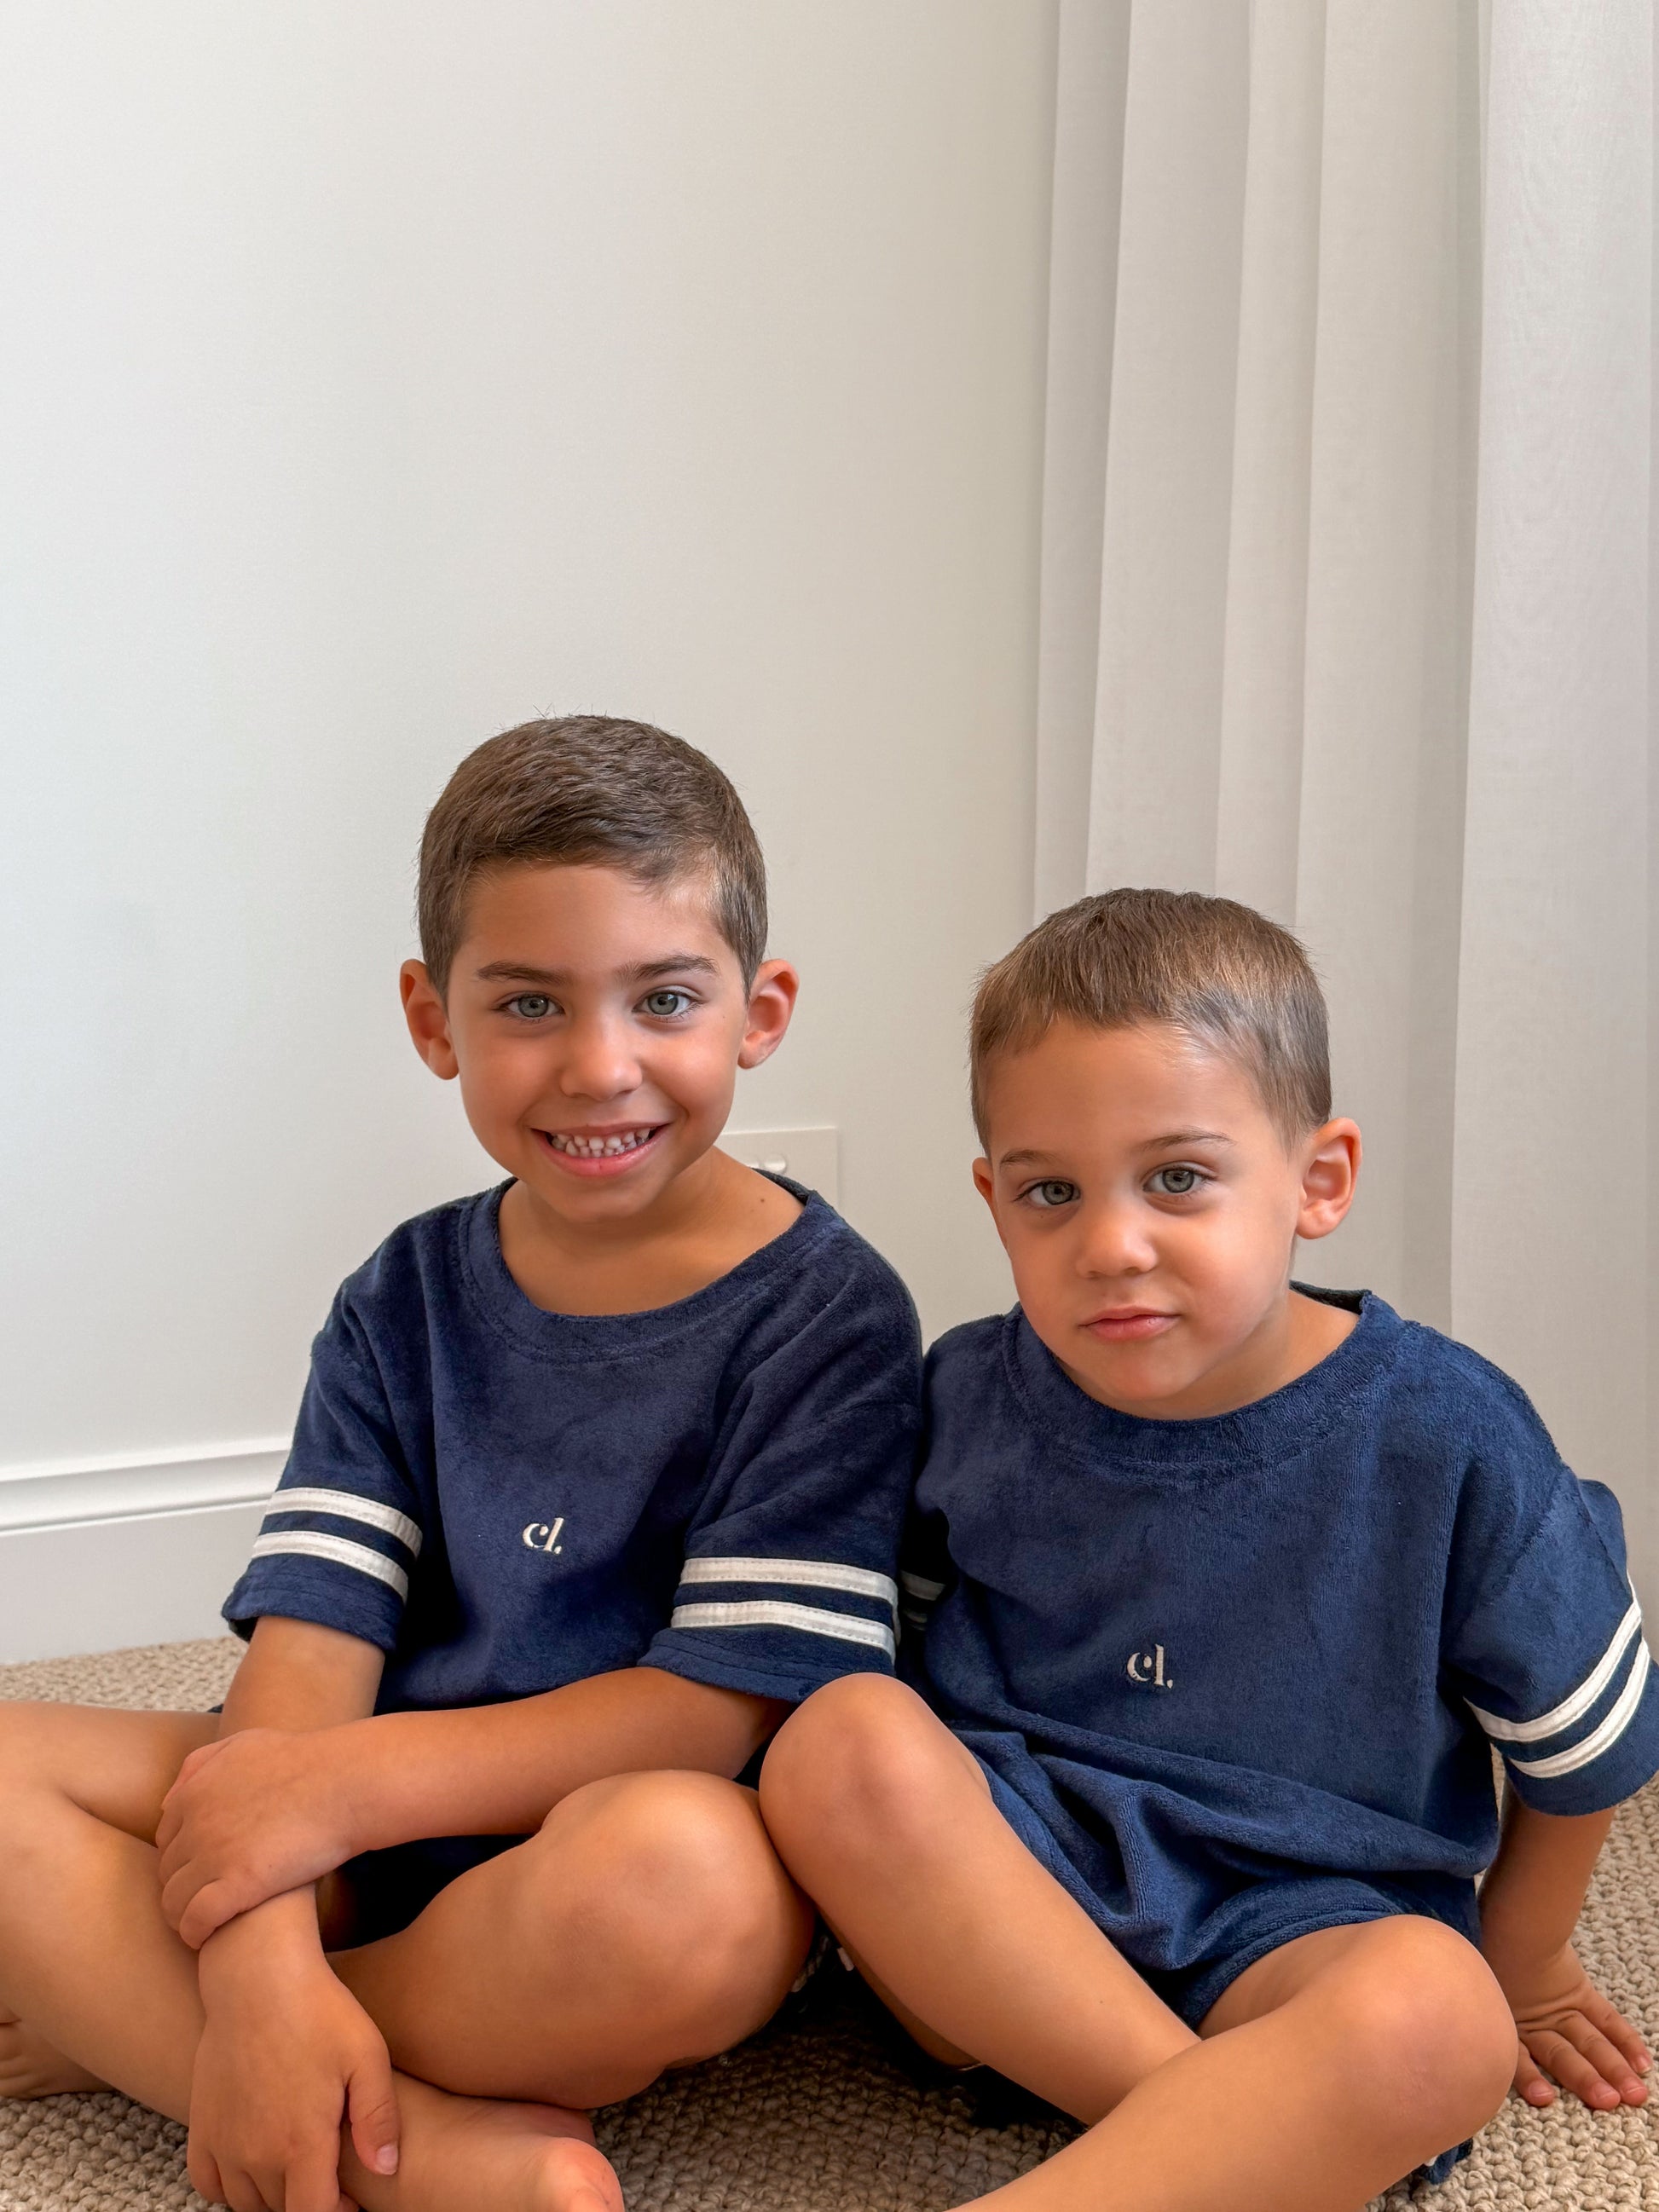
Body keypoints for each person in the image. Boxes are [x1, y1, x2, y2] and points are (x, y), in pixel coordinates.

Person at [0, 716, 922, 2212]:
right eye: (530, 1005)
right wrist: (257, 1964)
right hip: (349, 1812)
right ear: (435, 1022)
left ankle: (167, 2040)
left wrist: (314, 1829)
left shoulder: (830, 1313)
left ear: (759, 1011)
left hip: (597, 1855)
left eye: (663, 998)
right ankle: (398, 2142)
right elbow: (306, 1667)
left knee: (688, 1890)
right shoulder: (403, 1296)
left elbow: (707, 1718)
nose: (599, 1065)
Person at [759, 887, 1658, 2212]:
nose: (1110, 1244)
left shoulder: (1445, 1431)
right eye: (1048, 1192)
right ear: (993, 1201)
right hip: (1001, 1922)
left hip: (1295, 1923)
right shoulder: (965, 1394)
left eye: (1177, 1178)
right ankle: (1225, 2137)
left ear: (1317, 1181)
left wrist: (1522, 1968)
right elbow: (896, 1654)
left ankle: (1151, 2155)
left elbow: (1587, 1750)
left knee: (1438, 2019)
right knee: (837, 1734)